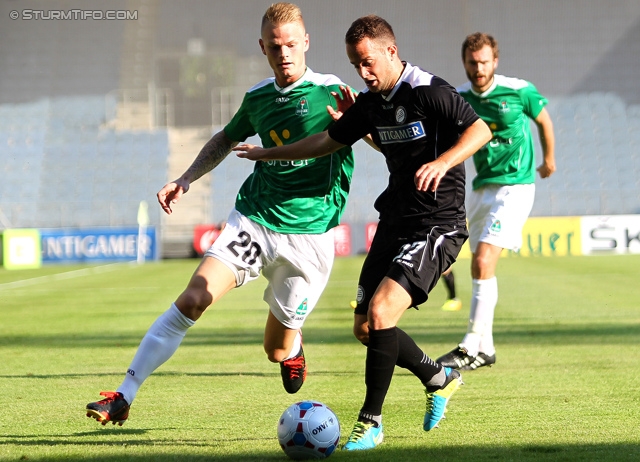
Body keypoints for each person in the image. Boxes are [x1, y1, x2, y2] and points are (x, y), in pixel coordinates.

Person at [85, 2, 357, 426]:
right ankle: (124, 394)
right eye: (273, 46)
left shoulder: (333, 92)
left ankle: (294, 345)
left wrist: (357, 128)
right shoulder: (258, 98)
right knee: (194, 298)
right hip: (255, 218)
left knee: (276, 350)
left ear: (306, 42)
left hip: (310, 236)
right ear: (262, 48)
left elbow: (363, 139)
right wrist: (186, 178)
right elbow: (224, 138)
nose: (283, 53)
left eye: (290, 44)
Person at [235, 15, 492, 451]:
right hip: (395, 220)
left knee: (382, 313)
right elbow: (325, 141)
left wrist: (443, 162)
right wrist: (266, 153)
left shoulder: (429, 89)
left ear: (391, 51)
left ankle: (371, 421)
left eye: (369, 62)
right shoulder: (370, 103)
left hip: (437, 223)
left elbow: (480, 129)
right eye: (356, 65)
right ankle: (439, 378)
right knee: (366, 328)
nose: (363, 73)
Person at [437, 32, 556, 371]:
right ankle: (486, 348)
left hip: (515, 186)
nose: (479, 68)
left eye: (484, 62)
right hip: (480, 189)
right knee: (481, 264)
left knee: (483, 260)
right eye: (473, 63)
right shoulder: (458, 97)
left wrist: (548, 158)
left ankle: (469, 345)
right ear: (465, 63)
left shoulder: (518, 90)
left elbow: (544, 121)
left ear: (495, 62)